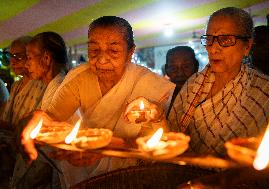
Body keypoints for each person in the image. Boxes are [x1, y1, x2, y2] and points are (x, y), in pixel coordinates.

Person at [20, 16, 175, 188]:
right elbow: (50, 119)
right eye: (94, 50)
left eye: (113, 51)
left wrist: (156, 116)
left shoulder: (146, 83)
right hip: (84, 172)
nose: (101, 60)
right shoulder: (78, 80)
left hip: (131, 175)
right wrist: (36, 119)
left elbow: (160, 146)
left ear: (130, 52)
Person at [168, 7, 269, 156]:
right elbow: (172, 135)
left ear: (247, 46)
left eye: (226, 39)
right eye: (209, 39)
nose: (213, 49)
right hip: (189, 174)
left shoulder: (267, 91)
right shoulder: (193, 84)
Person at [11, 32, 69, 189]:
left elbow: (50, 147)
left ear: (46, 58)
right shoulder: (53, 85)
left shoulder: (60, 89)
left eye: (29, 58)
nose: (26, 64)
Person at [0, 36, 46, 129]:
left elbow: (32, 128)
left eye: (19, 56)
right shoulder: (16, 85)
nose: (13, 62)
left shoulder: (43, 85)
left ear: (31, 57)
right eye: (11, 56)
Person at [165, 46, 199, 113]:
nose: (180, 73)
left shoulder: (206, 95)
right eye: (173, 68)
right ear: (166, 70)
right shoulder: (161, 99)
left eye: (186, 66)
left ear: (196, 67)